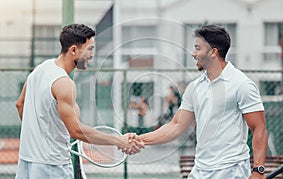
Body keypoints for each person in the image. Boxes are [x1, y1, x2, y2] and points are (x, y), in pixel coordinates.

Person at [127, 25, 268, 179]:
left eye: (198, 48)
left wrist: (258, 170)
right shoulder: (195, 87)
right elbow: (175, 125)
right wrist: (139, 140)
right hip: (200, 170)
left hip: (231, 170)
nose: (193, 54)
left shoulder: (241, 84)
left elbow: (259, 128)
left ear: (213, 52)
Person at [15, 24, 143, 179]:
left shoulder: (39, 69)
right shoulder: (64, 83)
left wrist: (38, 137)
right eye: (89, 49)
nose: (92, 54)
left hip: (26, 161)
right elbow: (76, 131)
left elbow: (20, 105)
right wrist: (119, 141)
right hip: (53, 167)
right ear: (74, 50)